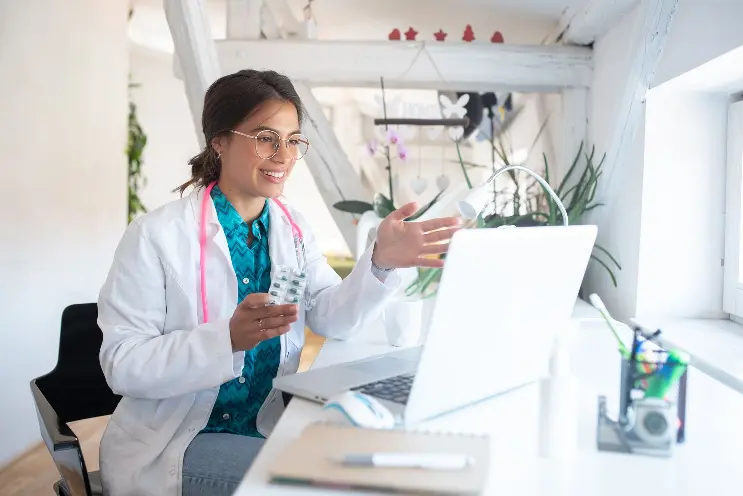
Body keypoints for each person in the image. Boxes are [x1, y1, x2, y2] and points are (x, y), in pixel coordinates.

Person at [97, 69, 460, 496]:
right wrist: (226, 339)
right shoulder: (155, 236)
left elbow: (330, 317)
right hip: (178, 441)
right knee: (336, 486)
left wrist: (380, 263)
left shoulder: (292, 228)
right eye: (265, 137)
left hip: (263, 424)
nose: (283, 155)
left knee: (373, 462)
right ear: (220, 140)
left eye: (292, 140)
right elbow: (122, 365)